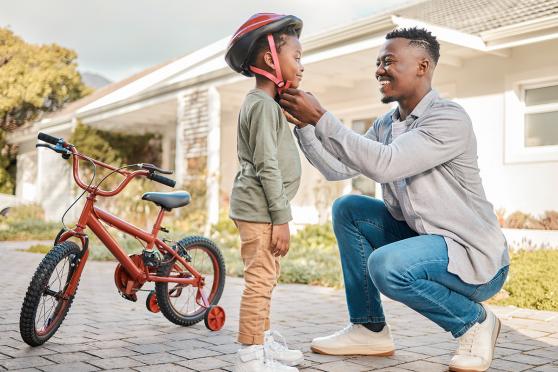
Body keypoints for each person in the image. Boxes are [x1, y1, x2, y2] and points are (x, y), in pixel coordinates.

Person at [279, 27, 509, 372]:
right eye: (377, 63)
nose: (379, 70)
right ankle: (369, 328)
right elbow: (338, 169)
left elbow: (385, 164)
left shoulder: (448, 118)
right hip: (426, 242)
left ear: (423, 66)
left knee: (388, 265)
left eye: (389, 61)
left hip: (472, 255)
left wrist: (322, 117)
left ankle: (474, 322)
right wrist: (305, 127)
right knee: (350, 209)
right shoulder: (388, 124)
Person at [224, 13, 306, 372]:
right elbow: (266, 166)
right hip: (260, 210)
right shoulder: (259, 105)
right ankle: (250, 356)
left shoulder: (267, 105)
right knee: (259, 280)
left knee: (266, 277)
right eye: (297, 57)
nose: (302, 66)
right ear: (272, 60)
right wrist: (282, 219)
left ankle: (263, 341)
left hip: (262, 208)